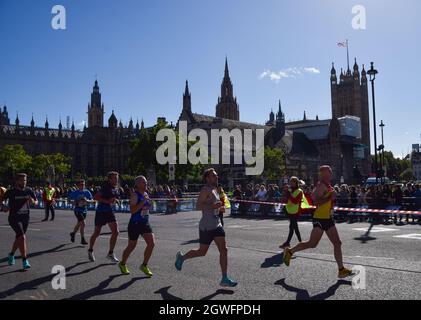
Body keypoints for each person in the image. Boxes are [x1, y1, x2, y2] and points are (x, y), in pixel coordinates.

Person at [283, 165, 354, 279]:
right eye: (329, 171)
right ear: (324, 173)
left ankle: (341, 270)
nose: (331, 172)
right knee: (312, 244)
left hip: (328, 218)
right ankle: (290, 251)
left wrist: (330, 198)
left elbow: (315, 196)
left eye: (331, 170)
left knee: (337, 243)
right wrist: (330, 198)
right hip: (320, 219)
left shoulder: (327, 185)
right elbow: (315, 201)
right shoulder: (321, 185)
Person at [174, 168, 237, 287]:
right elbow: (198, 206)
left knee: (224, 250)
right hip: (206, 227)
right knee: (202, 252)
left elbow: (216, 207)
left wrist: (220, 209)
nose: (216, 177)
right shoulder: (205, 190)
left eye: (216, 175)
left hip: (217, 224)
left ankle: (224, 278)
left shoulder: (216, 190)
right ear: (207, 178)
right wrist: (213, 206)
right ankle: (182, 257)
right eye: (213, 176)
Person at [118, 176, 155, 276]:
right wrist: (142, 203)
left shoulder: (146, 194)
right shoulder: (135, 195)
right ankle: (122, 264)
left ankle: (144, 265)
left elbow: (146, 208)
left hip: (145, 223)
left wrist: (148, 205)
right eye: (143, 182)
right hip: (135, 223)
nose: (146, 184)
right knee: (131, 246)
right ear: (137, 184)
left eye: (146, 182)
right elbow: (132, 211)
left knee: (151, 243)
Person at [0, 173, 38, 270]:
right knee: (22, 237)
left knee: (19, 238)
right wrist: (3, 206)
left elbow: (36, 201)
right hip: (14, 218)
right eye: (22, 180)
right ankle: (25, 260)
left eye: (25, 180)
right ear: (17, 181)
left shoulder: (29, 190)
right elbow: (2, 201)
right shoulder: (10, 192)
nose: (24, 182)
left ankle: (11, 254)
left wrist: (33, 201)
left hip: (25, 217)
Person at [88, 172, 121, 263]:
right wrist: (107, 201)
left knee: (115, 232)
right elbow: (95, 197)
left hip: (110, 211)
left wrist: (116, 201)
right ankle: (90, 250)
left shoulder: (116, 188)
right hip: (101, 212)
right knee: (97, 233)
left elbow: (113, 198)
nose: (116, 180)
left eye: (117, 178)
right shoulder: (105, 187)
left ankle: (110, 253)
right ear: (109, 179)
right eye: (114, 178)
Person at [279, 177, 310, 249]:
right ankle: (300, 243)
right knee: (294, 227)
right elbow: (285, 199)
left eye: (292, 182)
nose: (291, 183)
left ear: (296, 183)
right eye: (290, 182)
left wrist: (289, 194)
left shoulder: (299, 191)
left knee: (292, 227)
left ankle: (288, 243)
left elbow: (295, 201)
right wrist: (285, 193)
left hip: (295, 211)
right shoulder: (290, 190)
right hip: (289, 210)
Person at [68, 179, 94, 245]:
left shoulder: (87, 192)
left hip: (84, 210)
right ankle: (82, 239)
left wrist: (87, 201)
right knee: (83, 223)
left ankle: (73, 233)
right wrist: (74, 202)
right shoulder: (75, 192)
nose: (82, 186)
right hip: (77, 210)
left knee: (79, 224)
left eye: (83, 184)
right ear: (78, 186)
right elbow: (68, 200)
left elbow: (92, 200)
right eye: (81, 185)